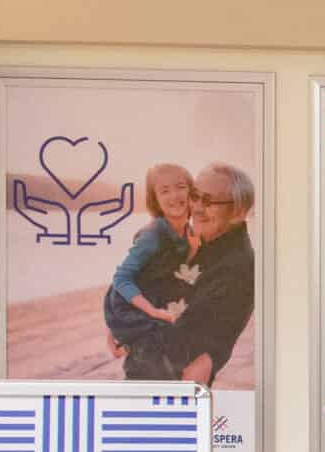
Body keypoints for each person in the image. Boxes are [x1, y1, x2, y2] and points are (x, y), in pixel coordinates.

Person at [118, 163, 258, 386]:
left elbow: (182, 341)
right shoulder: (201, 243)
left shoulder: (237, 267)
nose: (197, 208)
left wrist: (126, 331)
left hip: (168, 387)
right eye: (195, 196)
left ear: (239, 212)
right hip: (150, 376)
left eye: (210, 201)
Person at [102, 162, 193, 353]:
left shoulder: (189, 232)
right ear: (156, 200)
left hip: (152, 301)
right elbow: (121, 278)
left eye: (180, 187)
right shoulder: (153, 234)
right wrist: (148, 313)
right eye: (164, 191)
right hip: (134, 306)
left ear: (192, 192)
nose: (174, 196)